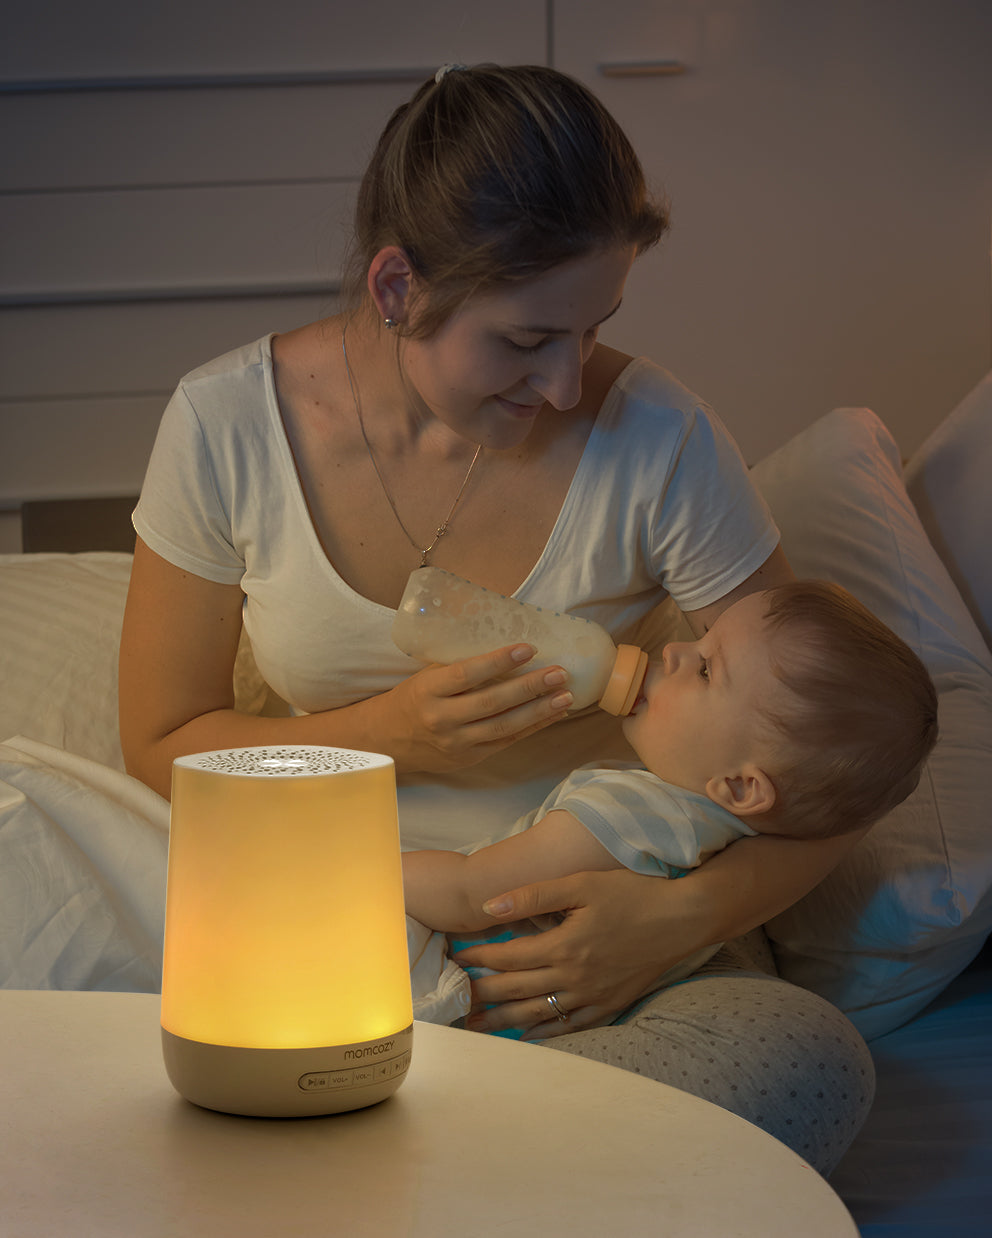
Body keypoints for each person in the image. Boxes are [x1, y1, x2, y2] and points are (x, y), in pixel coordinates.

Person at [120, 63, 883, 1173]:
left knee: (807, 1062)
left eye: (593, 328)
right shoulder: (226, 425)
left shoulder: (660, 440)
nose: (569, 385)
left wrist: (671, 922)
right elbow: (159, 744)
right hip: (340, 907)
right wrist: (394, 733)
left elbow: (826, 749)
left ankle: (395, 1156)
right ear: (397, 288)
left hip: (616, 925)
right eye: (526, 341)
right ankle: (499, 1152)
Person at [404, 579, 939, 1035]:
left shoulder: (632, 815)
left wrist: (342, 862)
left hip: (448, 989)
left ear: (739, 786)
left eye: (706, 669)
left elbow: (469, 890)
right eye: (702, 637)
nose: (674, 650)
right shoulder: (719, 834)